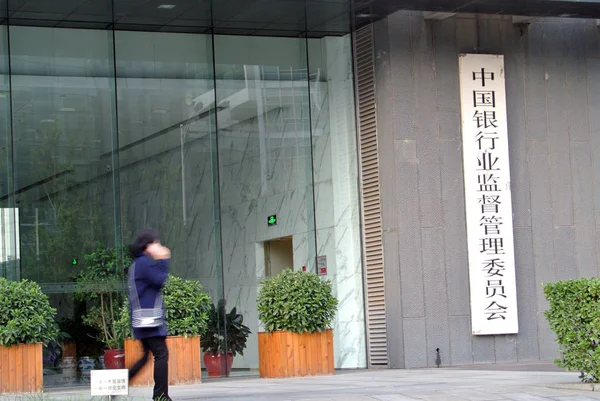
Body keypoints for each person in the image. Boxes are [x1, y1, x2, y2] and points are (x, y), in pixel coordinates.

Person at [127, 230, 172, 401]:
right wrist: (163, 260)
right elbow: (160, 280)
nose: (159, 246)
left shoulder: (138, 263)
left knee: (145, 357)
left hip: (142, 319)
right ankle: (160, 395)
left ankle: (117, 386)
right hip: (149, 320)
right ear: (147, 246)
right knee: (161, 354)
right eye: (156, 244)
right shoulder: (144, 263)